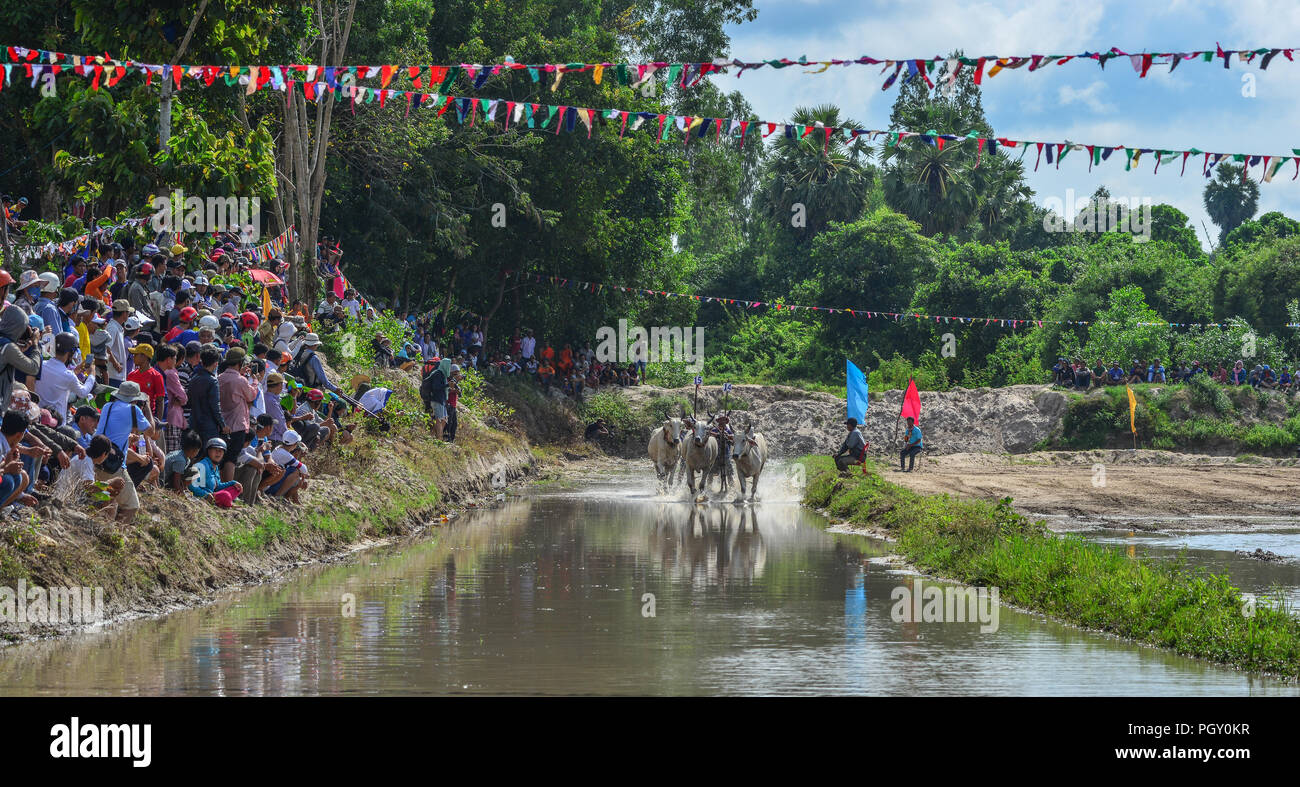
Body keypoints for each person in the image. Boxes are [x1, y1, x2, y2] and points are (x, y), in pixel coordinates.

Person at [34, 332, 95, 425]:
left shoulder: (41, 365)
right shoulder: (68, 376)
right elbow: (83, 392)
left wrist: (74, 372)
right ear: (70, 353)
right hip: (57, 424)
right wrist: (92, 374)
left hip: (38, 418)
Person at [86, 433, 138, 523]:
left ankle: (108, 528)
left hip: (81, 495)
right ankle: (113, 532)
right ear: (103, 455)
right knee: (129, 504)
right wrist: (111, 482)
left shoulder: (88, 460)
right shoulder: (86, 462)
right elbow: (89, 488)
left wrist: (111, 492)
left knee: (110, 496)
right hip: (79, 499)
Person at [188, 437, 242, 507]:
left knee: (236, 488)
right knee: (226, 495)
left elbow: (217, 486)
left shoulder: (215, 467)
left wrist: (233, 483)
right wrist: (205, 495)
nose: (218, 453)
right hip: (204, 497)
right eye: (215, 450)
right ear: (208, 451)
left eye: (221, 451)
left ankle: (225, 502)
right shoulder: (201, 465)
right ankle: (228, 503)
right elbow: (191, 485)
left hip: (213, 495)